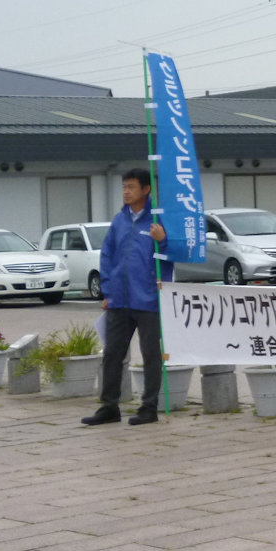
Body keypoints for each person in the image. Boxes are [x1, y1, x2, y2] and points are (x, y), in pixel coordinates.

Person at [82, 169, 172, 427]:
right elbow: (107, 256)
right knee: (112, 354)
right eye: (124, 187)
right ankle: (109, 407)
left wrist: (163, 241)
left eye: (131, 187)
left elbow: (174, 255)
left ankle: (149, 407)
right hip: (119, 300)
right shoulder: (119, 221)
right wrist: (108, 292)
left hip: (149, 300)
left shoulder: (158, 221)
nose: (126, 191)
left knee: (151, 354)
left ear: (146, 190)